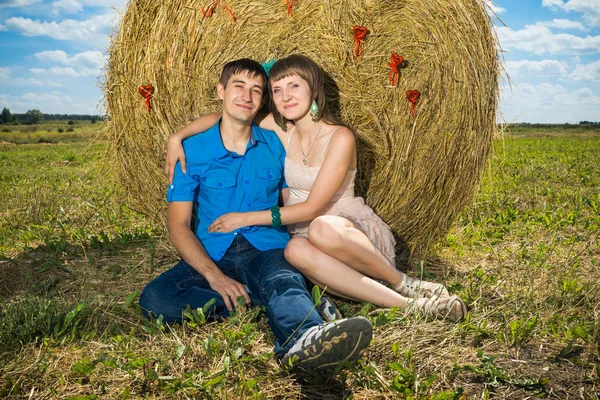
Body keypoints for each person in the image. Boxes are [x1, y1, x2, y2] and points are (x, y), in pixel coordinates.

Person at [164, 55, 467, 321]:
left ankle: (402, 282)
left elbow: (312, 209)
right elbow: (231, 114)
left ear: (313, 87)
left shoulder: (341, 137)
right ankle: (411, 307)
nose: (285, 96)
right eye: (277, 90)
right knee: (294, 249)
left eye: (294, 86)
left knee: (321, 228)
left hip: (346, 234)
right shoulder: (281, 133)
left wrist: (244, 218)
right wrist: (177, 137)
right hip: (303, 239)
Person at [139, 58, 373, 371]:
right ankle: (261, 298)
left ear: (263, 101)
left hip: (265, 247)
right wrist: (214, 276)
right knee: (156, 299)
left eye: (257, 90)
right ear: (221, 91)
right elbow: (178, 225)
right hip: (212, 251)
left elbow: (292, 200)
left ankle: (305, 337)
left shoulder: (275, 143)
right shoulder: (192, 151)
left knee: (283, 281)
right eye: (238, 86)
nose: (247, 96)